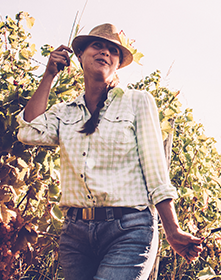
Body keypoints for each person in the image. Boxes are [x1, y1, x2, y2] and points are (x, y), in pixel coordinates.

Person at [18, 23, 202, 280]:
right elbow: (28, 131)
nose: (105, 52)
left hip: (128, 230)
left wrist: (172, 230)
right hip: (75, 235)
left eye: (112, 50)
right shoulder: (65, 111)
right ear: (80, 56)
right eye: (97, 45)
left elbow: (155, 170)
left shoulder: (137, 102)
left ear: (117, 64)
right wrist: (49, 74)